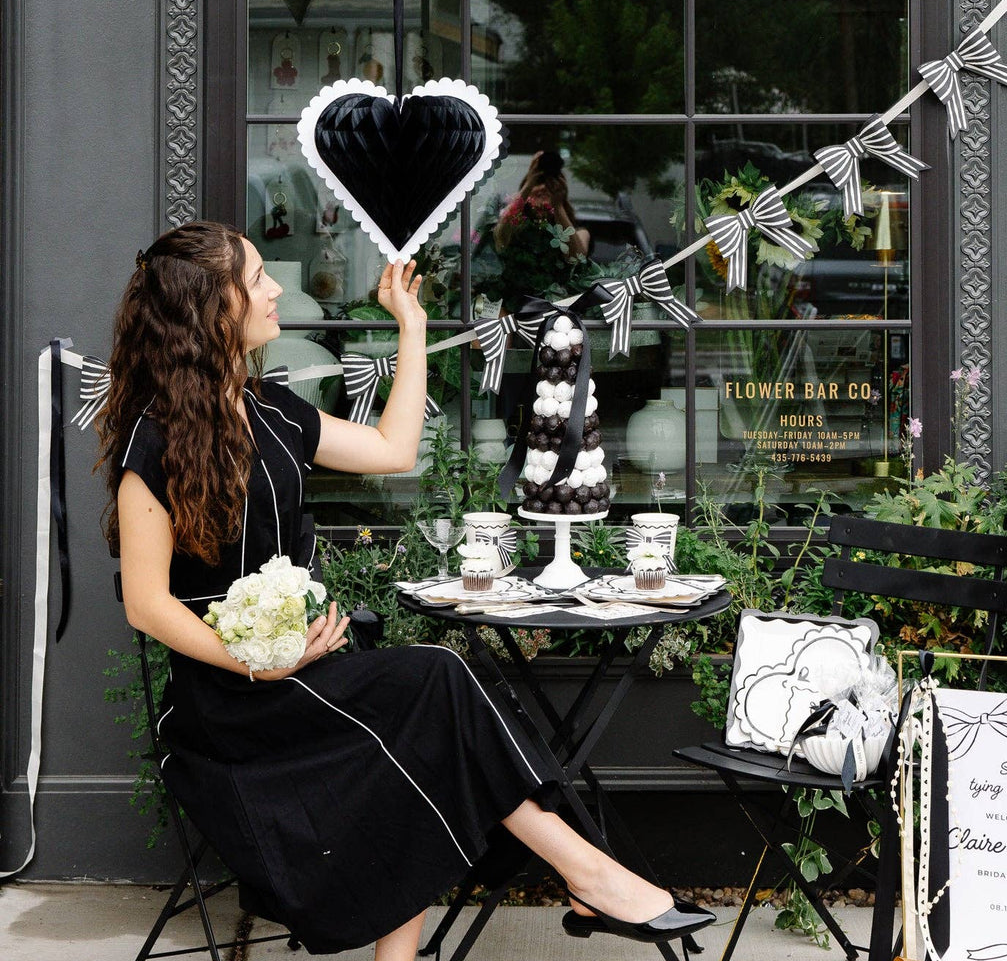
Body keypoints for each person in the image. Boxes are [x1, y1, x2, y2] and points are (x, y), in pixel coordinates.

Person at [101, 222, 712, 960]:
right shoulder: (156, 441)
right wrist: (257, 663)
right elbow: (147, 603)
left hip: (308, 673)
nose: (276, 290)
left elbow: (394, 451)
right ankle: (590, 874)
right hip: (229, 706)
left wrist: (413, 328)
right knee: (438, 682)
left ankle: (584, 879)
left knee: (432, 715)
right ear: (211, 306)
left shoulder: (275, 411)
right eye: (258, 278)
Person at [493, 150, 591, 258]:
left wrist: (558, 206)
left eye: (551, 183)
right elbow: (501, 233)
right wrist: (528, 184)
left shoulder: (579, 232)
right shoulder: (513, 227)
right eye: (538, 182)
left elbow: (576, 257)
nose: (544, 187)